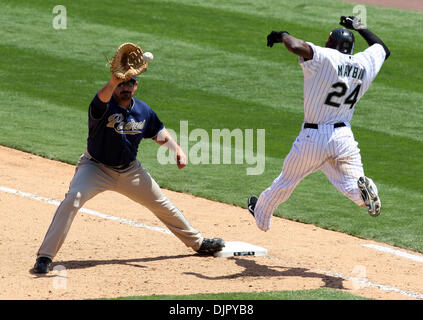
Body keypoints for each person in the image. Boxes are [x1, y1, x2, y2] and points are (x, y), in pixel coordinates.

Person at [33, 74, 225, 273]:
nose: (126, 87)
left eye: (130, 83)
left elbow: (158, 133)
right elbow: (101, 97)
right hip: (95, 168)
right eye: (121, 83)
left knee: (162, 204)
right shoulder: (103, 106)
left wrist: (177, 149)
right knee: (73, 199)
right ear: (115, 85)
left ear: (136, 86)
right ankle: (45, 257)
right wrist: (113, 81)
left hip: (130, 171)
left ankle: (198, 243)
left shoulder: (143, 110)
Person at [247, 16, 390, 231]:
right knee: (350, 183)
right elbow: (382, 49)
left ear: (331, 44)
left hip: (313, 138)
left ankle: (261, 216)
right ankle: (364, 195)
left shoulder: (326, 56)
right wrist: (359, 26)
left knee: (286, 181)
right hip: (344, 138)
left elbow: (296, 46)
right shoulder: (363, 63)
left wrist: (281, 34)